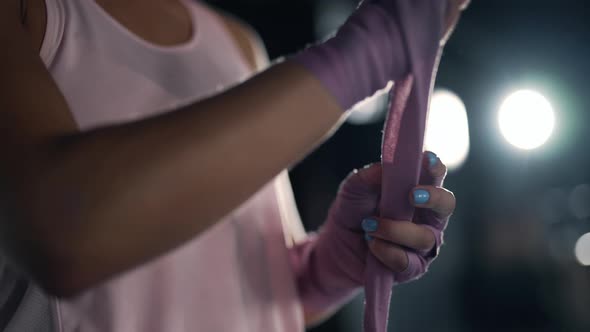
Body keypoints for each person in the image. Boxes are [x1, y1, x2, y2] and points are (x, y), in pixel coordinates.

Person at [0, 0, 466, 330]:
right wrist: (363, 55)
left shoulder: (238, 43)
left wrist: (327, 269)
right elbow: (60, 233)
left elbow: (253, 284)